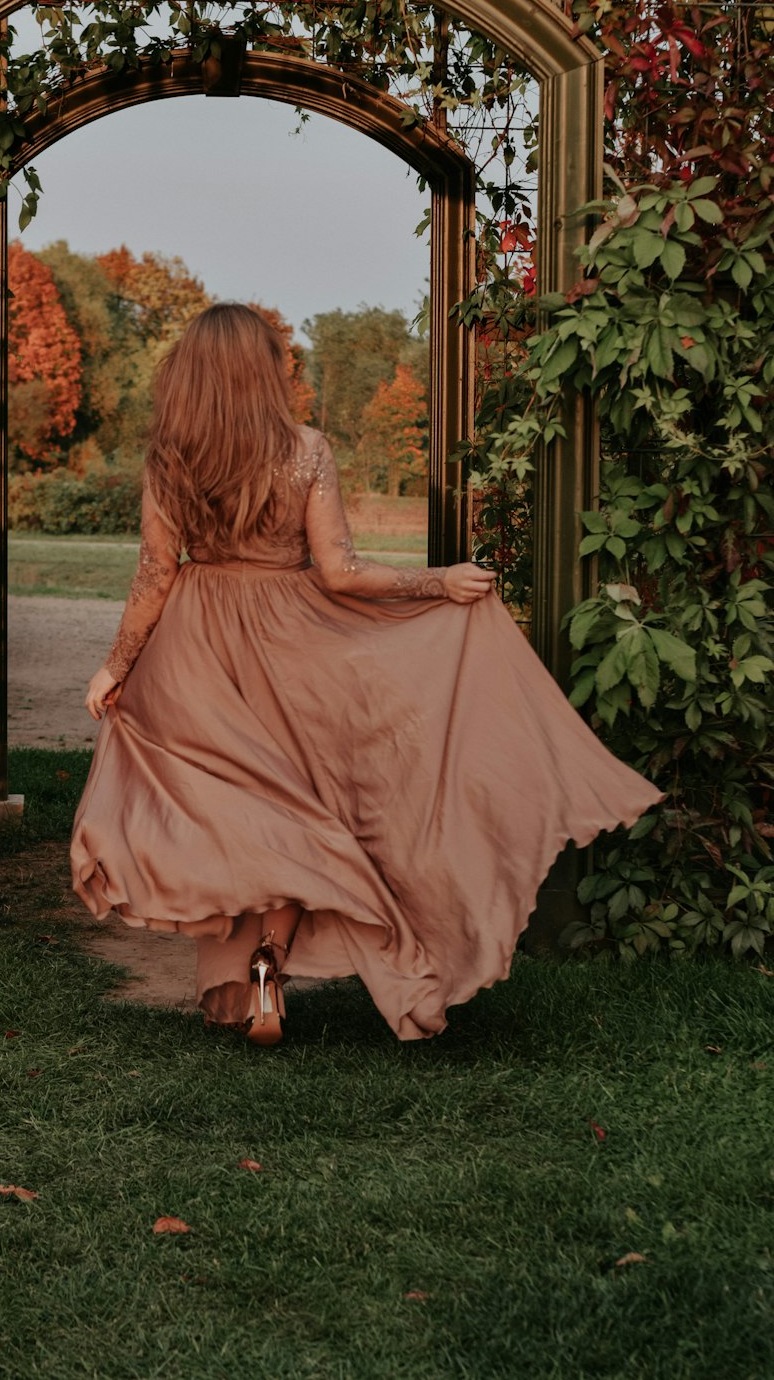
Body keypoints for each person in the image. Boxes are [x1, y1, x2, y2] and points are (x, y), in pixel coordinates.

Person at [70, 304, 661, 1045]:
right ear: (263, 371)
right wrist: (438, 583)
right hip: (293, 643)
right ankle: (268, 961)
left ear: (191, 373)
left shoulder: (171, 458)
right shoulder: (306, 449)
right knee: (306, 806)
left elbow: (156, 575)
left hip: (196, 650)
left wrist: (114, 666)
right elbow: (342, 574)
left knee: (233, 806)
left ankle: (252, 967)